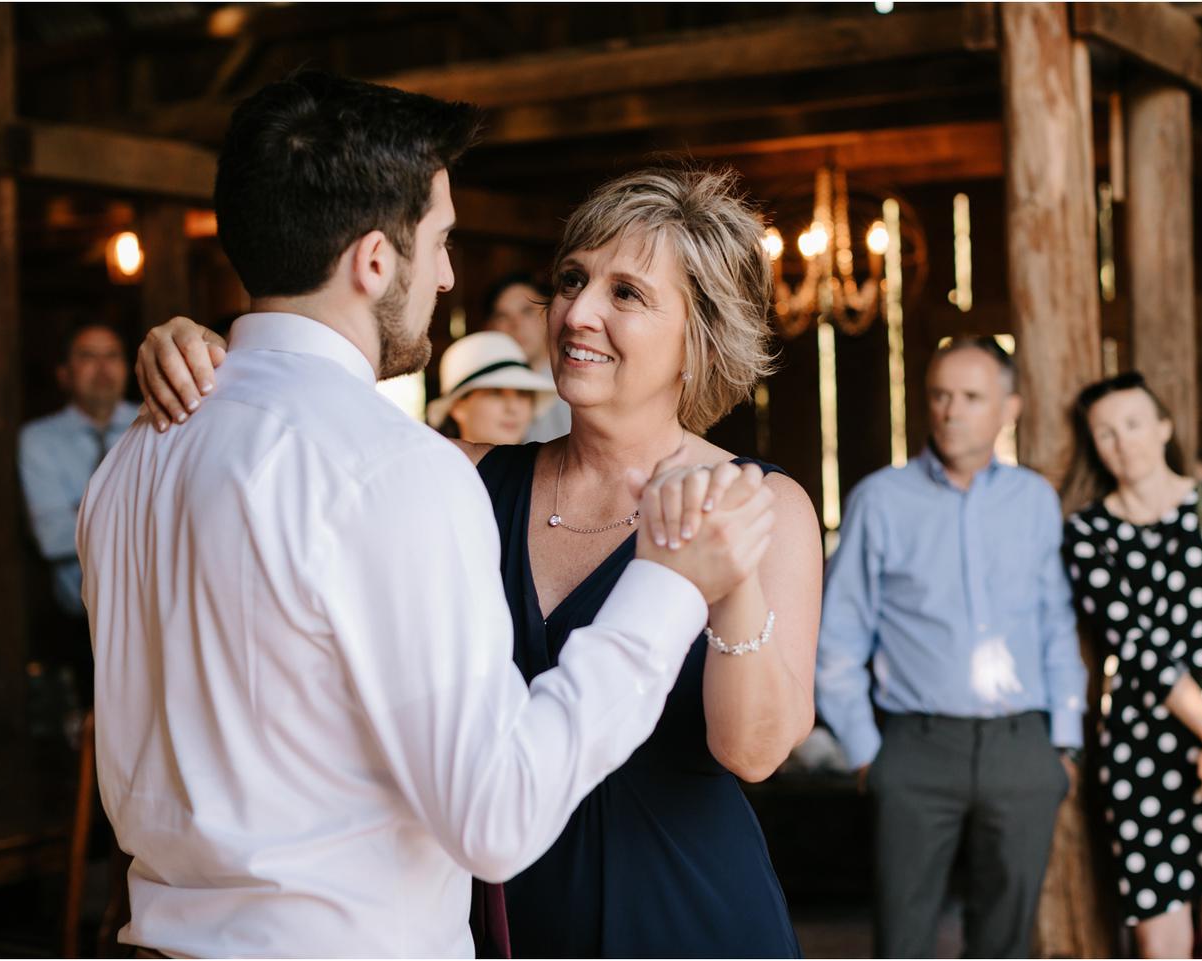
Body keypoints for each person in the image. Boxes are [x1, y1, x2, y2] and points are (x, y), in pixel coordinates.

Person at [84, 73, 775, 959]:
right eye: (440, 240)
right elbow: (496, 816)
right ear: (376, 260)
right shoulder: (398, 471)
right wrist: (668, 586)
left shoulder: (134, 457)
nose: (449, 272)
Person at [815, 336, 1088, 959]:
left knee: (1005, 939)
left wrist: (1063, 744)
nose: (950, 410)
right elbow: (839, 638)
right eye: (940, 395)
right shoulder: (879, 500)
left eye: (970, 397)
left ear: (1008, 408)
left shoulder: (1035, 502)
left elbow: (1055, 624)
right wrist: (867, 752)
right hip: (915, 748)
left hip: (1023, 749)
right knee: (903, 936)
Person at [1060, 372, 1202, 958]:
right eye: (1106, 432)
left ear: (1163, 426)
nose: (1123, 442)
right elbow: (1139, 648)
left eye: (1133, 424)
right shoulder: (1090, 533)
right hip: (1145, 741)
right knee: (1162, 937)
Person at [19, 323, 138, 620]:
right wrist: (137, 512)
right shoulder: (39, 438)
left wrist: (80, 512)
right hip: (77, 618)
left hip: (150, 609)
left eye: (112, 356)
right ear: (64, 374)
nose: (103, 368)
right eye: (87, 357)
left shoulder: (154, 423)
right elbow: (52, 537)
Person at [481, 271, 571, 443]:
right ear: (490, 327)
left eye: (527, 311)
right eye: (502, 316)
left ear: (550, 314)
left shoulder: (576, 385)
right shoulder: (483, 391)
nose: (516, 324)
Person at [424, 330, 555, 445]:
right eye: (496, 393)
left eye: (522, 394)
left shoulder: (546, 471)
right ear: (458, 406)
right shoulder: (435, 472)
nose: (512, 408)